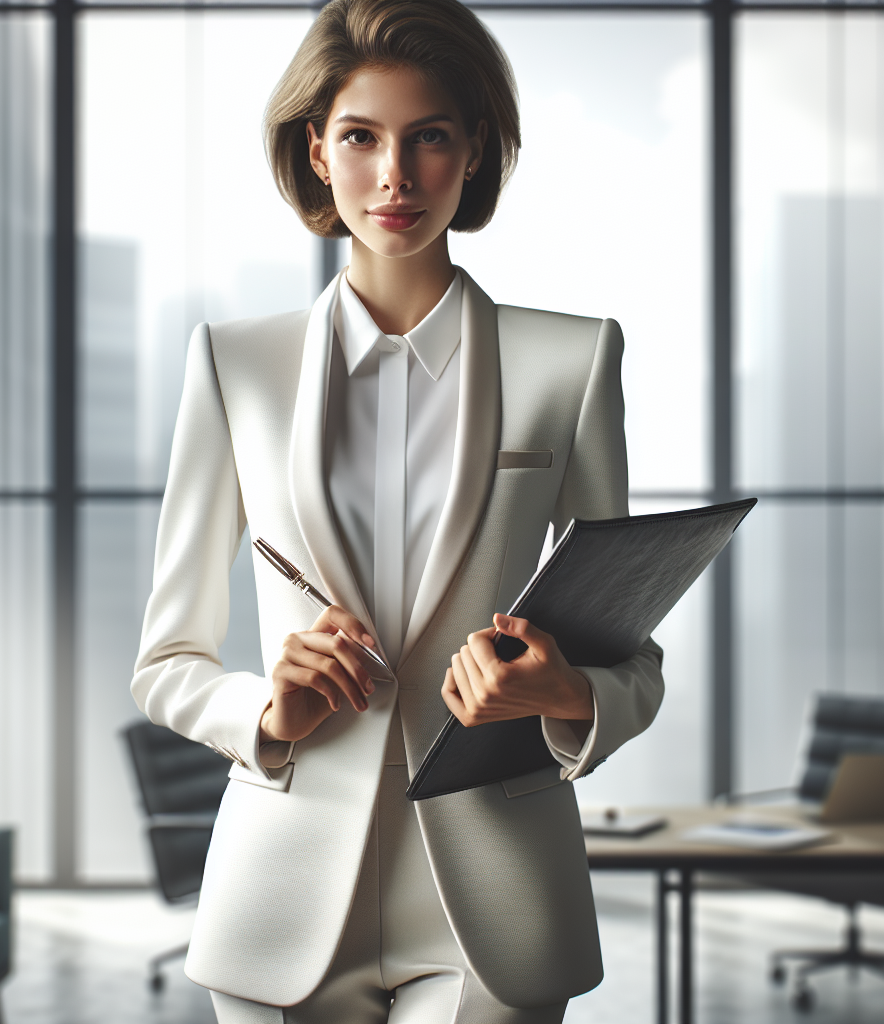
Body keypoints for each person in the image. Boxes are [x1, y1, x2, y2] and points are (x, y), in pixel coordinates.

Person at [132, 1, 664, 1021]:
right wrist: (266, 710)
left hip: (495, 894)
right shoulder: (235, 367)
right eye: (361, 137)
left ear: (473, 152)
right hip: (280, 897)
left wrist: (563, 692)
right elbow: (165, 664)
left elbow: (632, 667)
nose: (396, 176)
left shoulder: (572, 360)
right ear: (315, 152)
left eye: (429, 137)